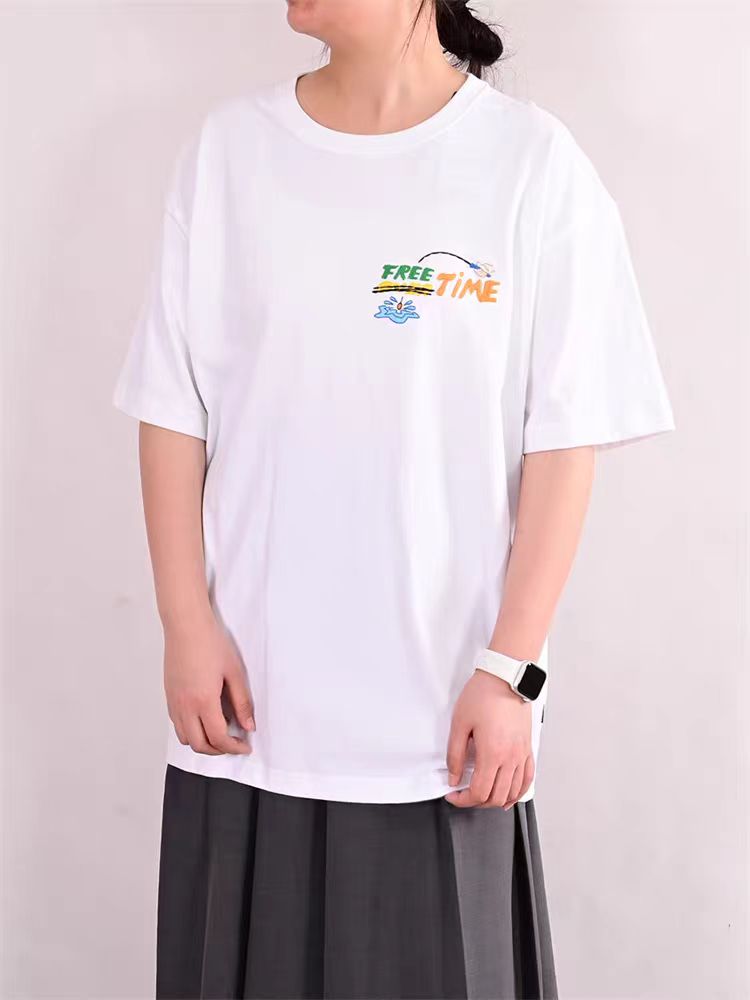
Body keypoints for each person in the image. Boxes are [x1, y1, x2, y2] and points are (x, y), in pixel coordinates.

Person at [112, 0, 675, 997]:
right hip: (250, 720)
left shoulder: (530, 164)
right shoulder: (230, 153)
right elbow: (171, 410)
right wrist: (185, 624)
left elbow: (564, 441)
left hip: (444, 727)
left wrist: (511, 672)